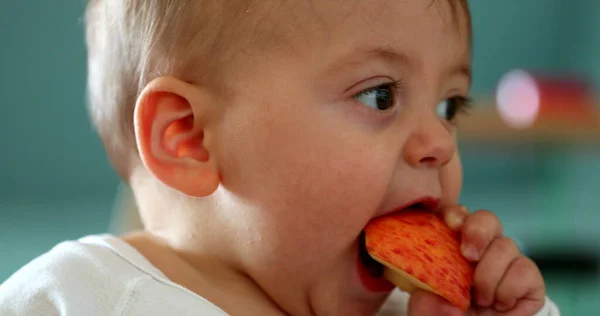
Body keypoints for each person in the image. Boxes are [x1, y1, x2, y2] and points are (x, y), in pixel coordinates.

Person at [0, 0, 560, 315]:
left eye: (449, 104)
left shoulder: (406, 308)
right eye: (380, 95)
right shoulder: (79, 297)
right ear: (190, 137)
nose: (440, 142)